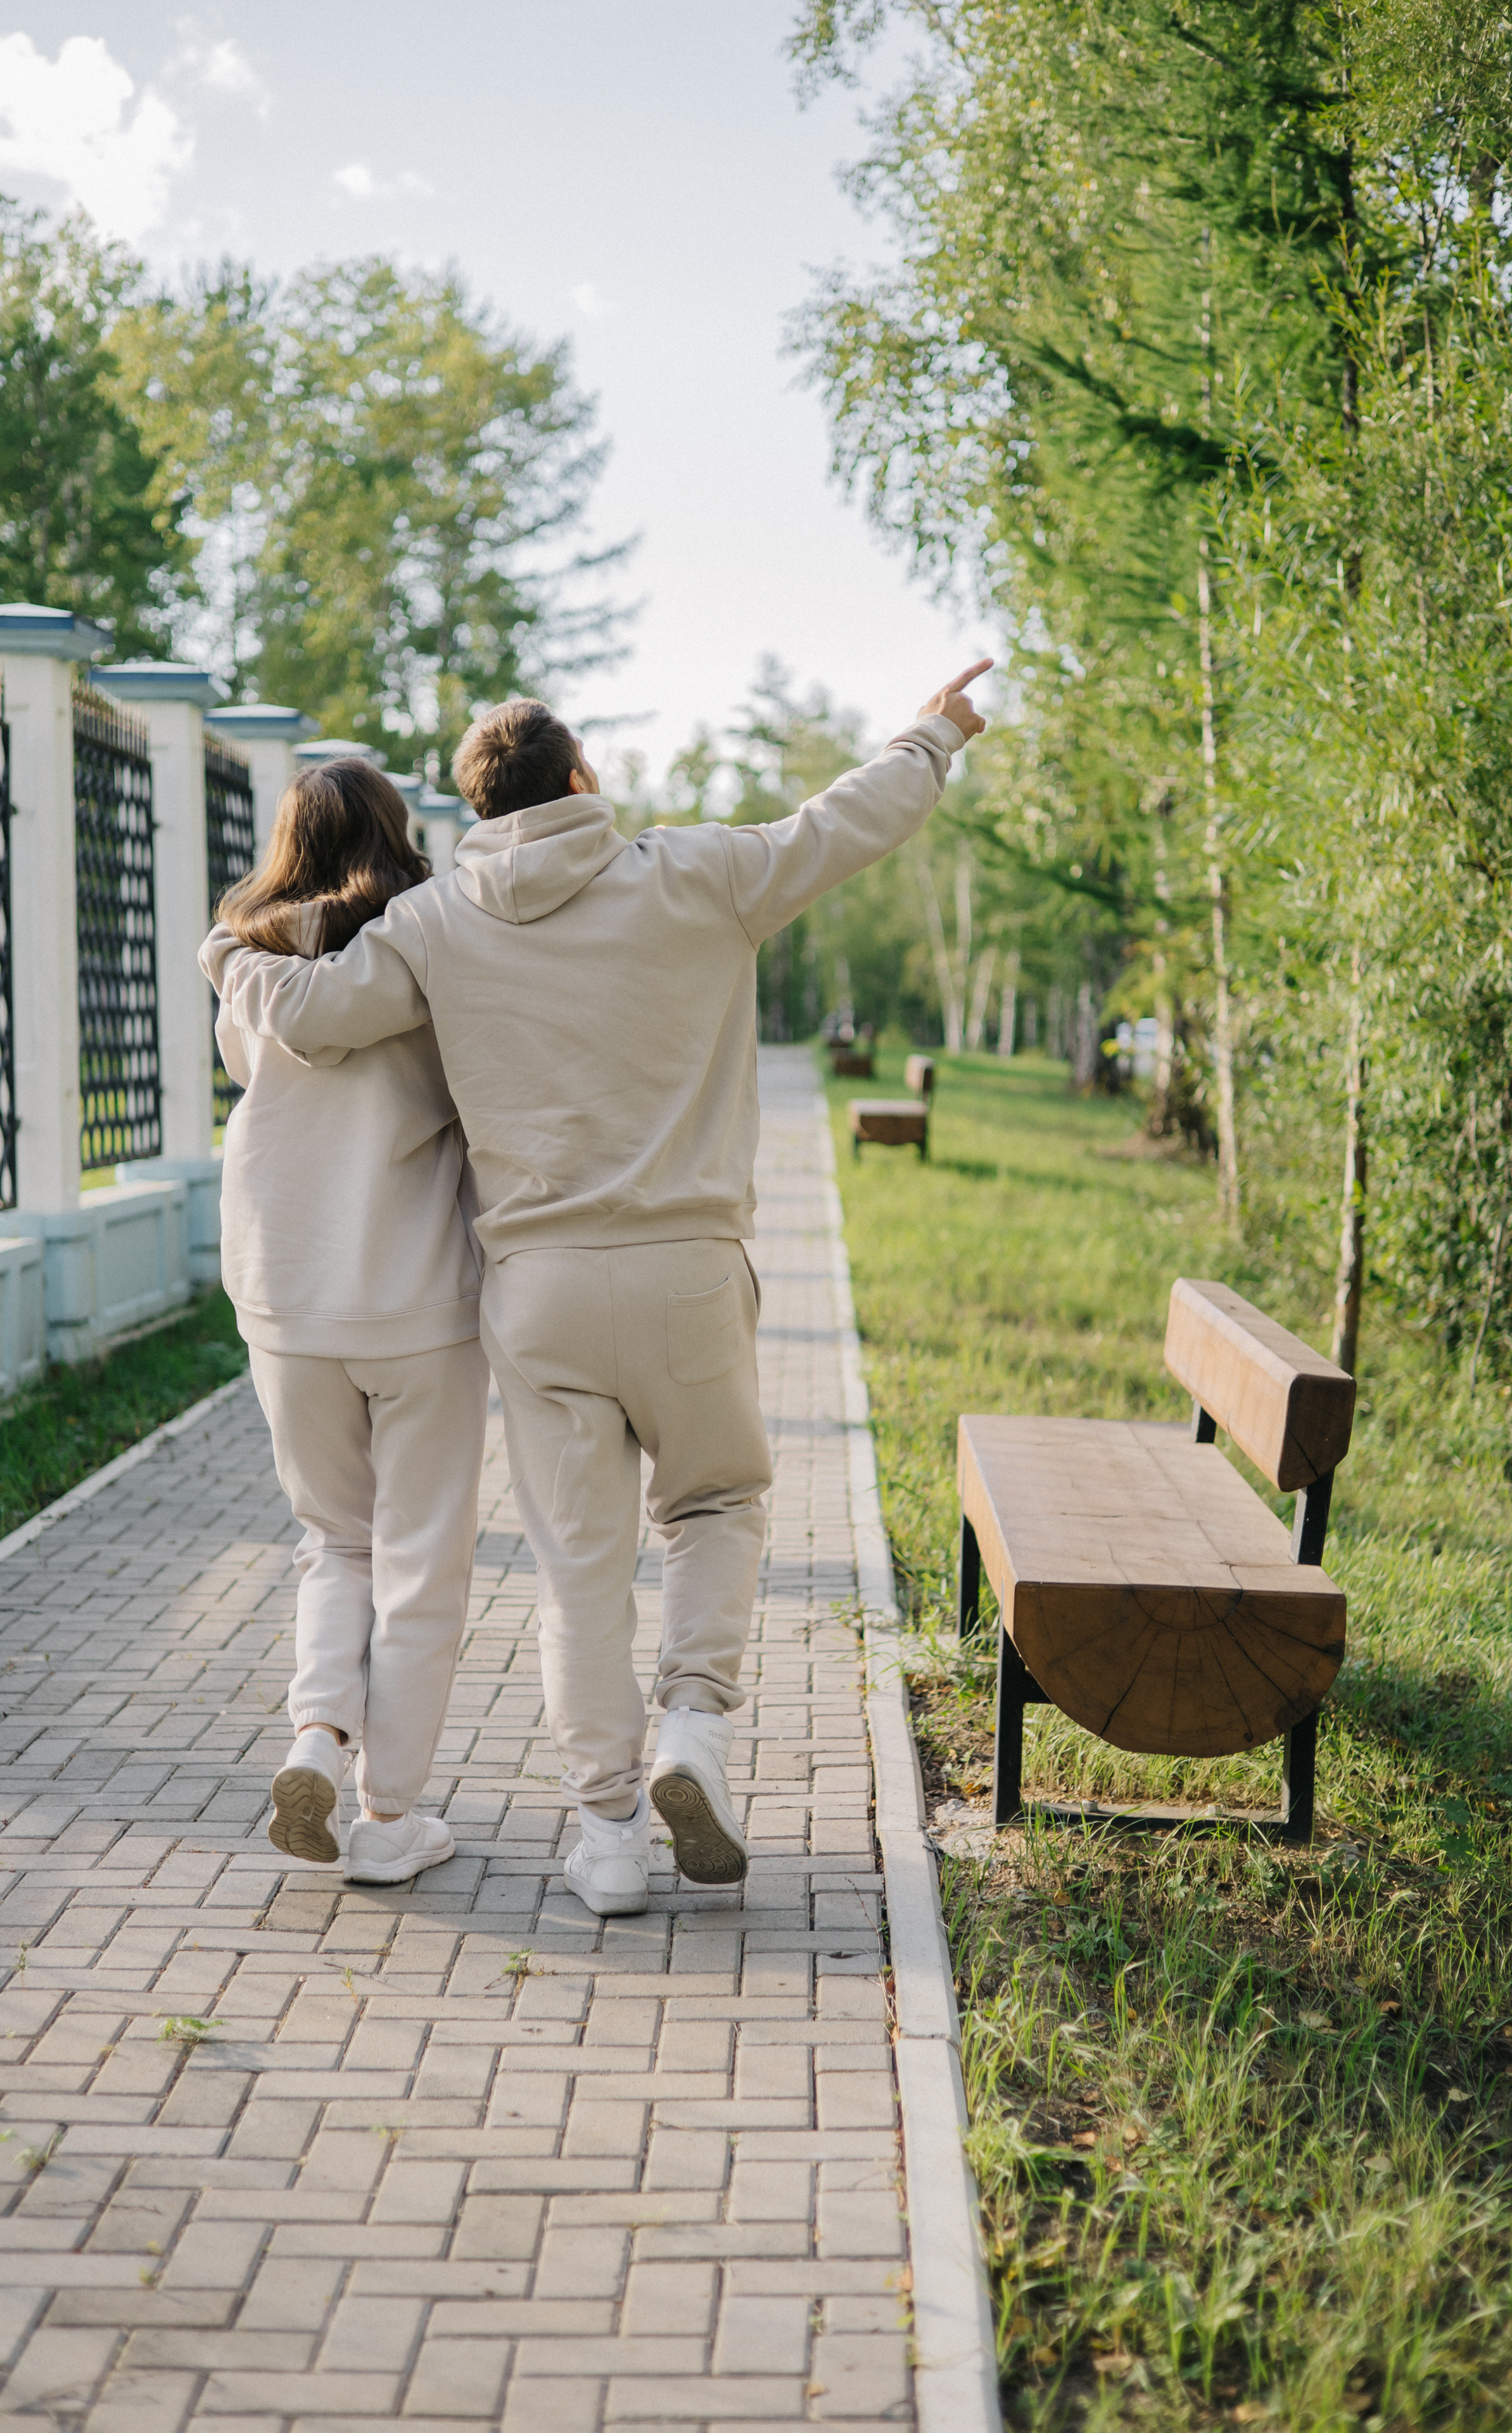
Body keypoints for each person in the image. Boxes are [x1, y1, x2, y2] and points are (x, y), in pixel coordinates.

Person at [203, 663, 989, 1917]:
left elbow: (313, 1016)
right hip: (685, 1269)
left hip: (536, 1292)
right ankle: (691, 1729)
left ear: (474, 807)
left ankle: (607, 1839)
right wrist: (931, 735)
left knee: (578, 1572)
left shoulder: (437, 919)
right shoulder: (694, 874)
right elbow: (841, 826)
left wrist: (228, 950)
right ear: (579, 780)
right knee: (716, 1506)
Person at [205, 757, 487, 1886]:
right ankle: (388, 1818)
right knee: (420, 1561)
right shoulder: (434, 940)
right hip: (416, 1297)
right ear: (395, 828)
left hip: (285, 1296)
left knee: (335, 1541)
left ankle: (316, 1734)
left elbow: (254, 1076)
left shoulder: (245, 960)